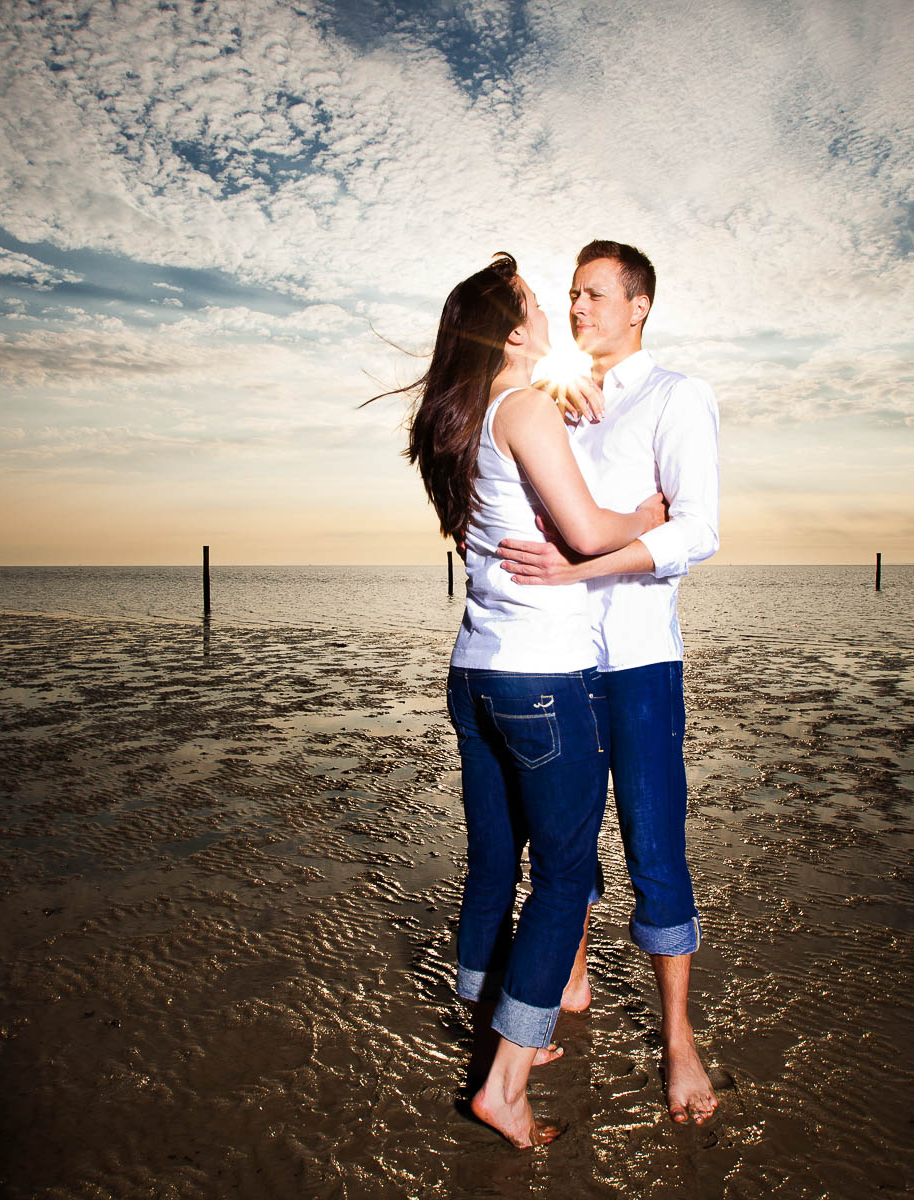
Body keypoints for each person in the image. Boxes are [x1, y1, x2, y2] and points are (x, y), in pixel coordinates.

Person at [383, 252, 669, 1148]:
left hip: (475, 671)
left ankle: (496, 1027)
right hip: (544, 677)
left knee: (494, 863)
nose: (554, 311)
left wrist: (566, 398)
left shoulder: (461, 420)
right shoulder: (524, 409)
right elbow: (585, 532)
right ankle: (505, 1084)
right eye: (539, 304)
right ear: (511, 330)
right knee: (566, 879)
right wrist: (653, 513)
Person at [496, 239, 722, 1125]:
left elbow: (697, 531)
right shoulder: (553, 401)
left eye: (594, 295)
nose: (578, 308)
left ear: (639, 307)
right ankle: (575, 980)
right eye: (571, 296)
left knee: (656, 847)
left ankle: (677, 1040)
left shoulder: (678, 397)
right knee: (564, 845)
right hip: (556, 661)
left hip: (636, 663)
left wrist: (583, 569)